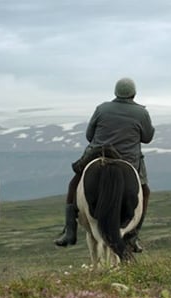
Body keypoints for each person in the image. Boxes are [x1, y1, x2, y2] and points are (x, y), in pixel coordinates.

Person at [55, 77, 155, 251]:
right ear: (134, 94)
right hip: (128, 159)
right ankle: (133, 236)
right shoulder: (141, 112)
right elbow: (147, 138)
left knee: (74, 184)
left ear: (115, 93)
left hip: (97, 154)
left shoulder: (101, 109)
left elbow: (89, 135)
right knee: (145, 192)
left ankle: (69, 231)